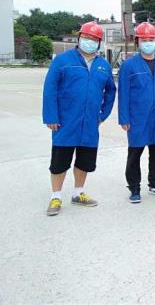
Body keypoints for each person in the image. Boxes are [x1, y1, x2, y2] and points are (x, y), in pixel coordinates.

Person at [43, 21, 116, 216]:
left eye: (94, 39)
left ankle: (78, 193)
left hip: (90, 122)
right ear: (79, 38)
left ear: (99, 42)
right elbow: (50, 89)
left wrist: (103, 114)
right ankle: (56, 196)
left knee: (85, 161)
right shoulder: (63, 61)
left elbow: (110, 91)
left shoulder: (103, 66)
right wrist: (51, 116)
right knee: (60, 162)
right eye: (86, 37)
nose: (89, 41)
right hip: (65, 121)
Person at [118, 22, 155, 203]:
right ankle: (134, 187)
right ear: (138, 42)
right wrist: (124, 118)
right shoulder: (129, 66)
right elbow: (123, 94)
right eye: (144, 40)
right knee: (135, 153)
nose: (148, 43)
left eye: (151, 39)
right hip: (137, 118)